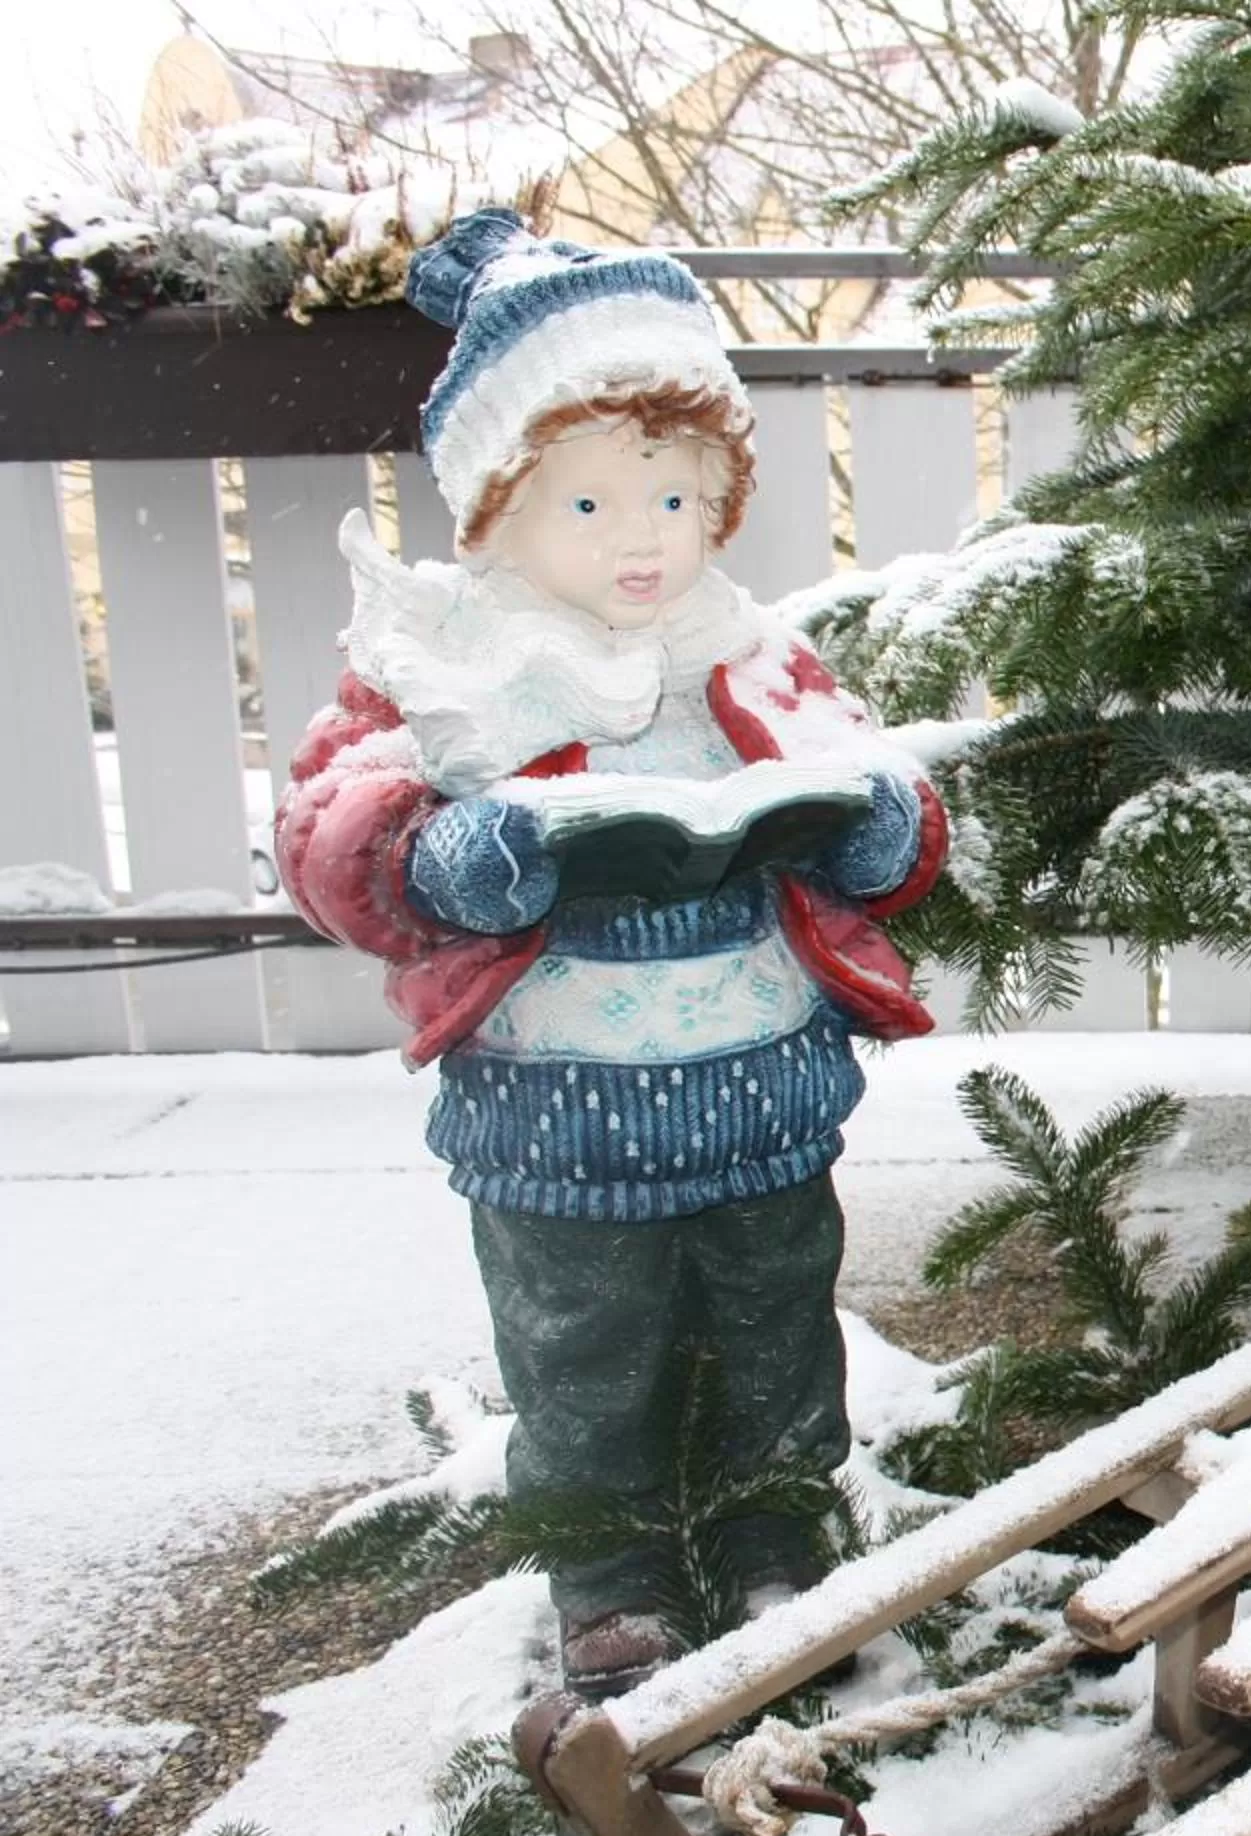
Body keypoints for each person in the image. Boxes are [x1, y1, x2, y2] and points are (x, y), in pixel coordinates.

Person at [274, 210, 947, 1697]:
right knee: (583, 1341)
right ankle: (611, 1566)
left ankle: (776, 1529)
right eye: (589, 503)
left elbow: (865, 770)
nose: (645, 537)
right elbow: (329, 826)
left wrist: (877, 827)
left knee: (777, 1320)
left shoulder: (744, 649)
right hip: (556, 1113)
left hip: (761, 1092)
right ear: (495, 512)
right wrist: (446, 857)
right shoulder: (443, 662)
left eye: (676, 497)